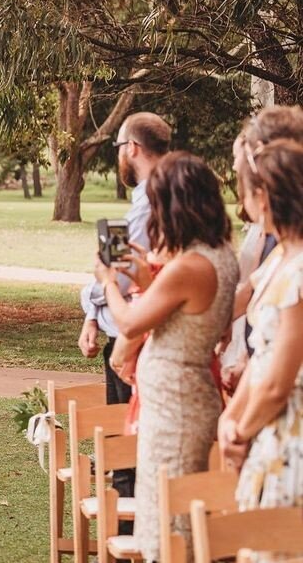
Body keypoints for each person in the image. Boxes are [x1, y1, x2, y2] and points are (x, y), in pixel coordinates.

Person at [95, 152, 239, 562]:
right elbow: (184, 312)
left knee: (170, 520)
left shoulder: (190, 265)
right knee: (170, 510)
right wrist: (146, 279)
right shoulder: (219, 254)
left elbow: (129, 323)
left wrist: (109, 283)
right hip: (181, 399)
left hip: (175, 405)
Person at [78, 111, 170, 506]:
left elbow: (126, 274)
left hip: (134, 334)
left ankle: (130, 531)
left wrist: (92, 295)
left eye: (118, 147)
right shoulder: (151, 196)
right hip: (119, 323)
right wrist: (92, 315)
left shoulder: (151, 198)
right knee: (124, 441)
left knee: (127, 442)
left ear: (131, 147)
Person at [218, 140, 303, 509]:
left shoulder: (299, 272)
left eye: (244, 189)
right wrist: (231, 419)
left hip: (291, 436)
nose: (242, 201)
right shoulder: (279, 259)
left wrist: (241, 432)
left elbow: (277, 383)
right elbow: (261, 356)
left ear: (263, 197)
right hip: (267, 429)